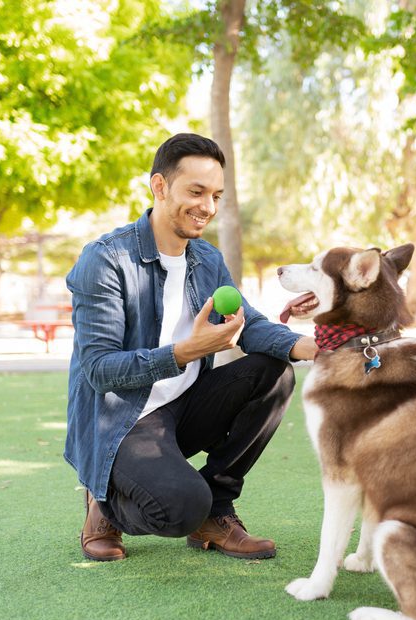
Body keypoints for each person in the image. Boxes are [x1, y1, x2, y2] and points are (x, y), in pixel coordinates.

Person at [65, 133, 317, 562]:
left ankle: (216, 512)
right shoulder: (106, 259)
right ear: (159, 186)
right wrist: (183, 352)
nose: (208, 207)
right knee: (180, 507)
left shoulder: (207, 259)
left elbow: (249, 325)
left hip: (182, 410)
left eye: (216, 195)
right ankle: (103, 500)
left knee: (274, 372)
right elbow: (99, 369)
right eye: (196, 192)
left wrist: (313, 347)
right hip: (121, 423)